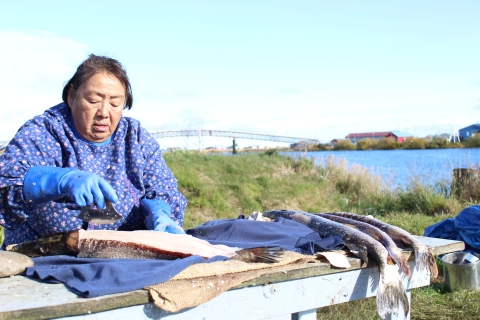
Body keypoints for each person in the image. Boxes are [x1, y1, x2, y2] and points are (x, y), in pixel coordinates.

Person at [0, 54, 187, 249]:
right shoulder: (45, 131)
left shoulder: (135, 137)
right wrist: (58, 180)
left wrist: (160, 212)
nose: (104, 112)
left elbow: (162, 189)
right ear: (72, 96)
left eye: (115, 103)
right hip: (42, 257)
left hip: (118, 259)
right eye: (93, 101)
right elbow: (6, 181)